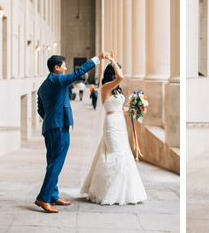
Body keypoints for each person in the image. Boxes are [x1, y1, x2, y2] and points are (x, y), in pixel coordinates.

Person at [34, 52, 107, 213]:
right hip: (59, 127)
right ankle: (43, 198)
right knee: (56, 163)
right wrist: (97, 59)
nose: (66, 68)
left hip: (50, 127)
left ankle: (52, 195)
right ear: (57, 68)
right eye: (64, 65)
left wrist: (50, 119)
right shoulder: (58, 80)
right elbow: (78, 73)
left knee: (52, 162)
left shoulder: (43, 86)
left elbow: (40, 108)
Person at [80, 52, 148, 204]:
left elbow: (118, 108)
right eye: (118, 69)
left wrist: (132, 111)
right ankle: (107, 191)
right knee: (115, 153)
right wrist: (112, 61)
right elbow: (121, 77)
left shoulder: (116, 89)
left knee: (123, 153)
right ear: (113, 73)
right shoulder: (105, 87)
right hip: (111, 123)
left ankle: (122, 192)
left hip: (119, 121)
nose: (120, 72)